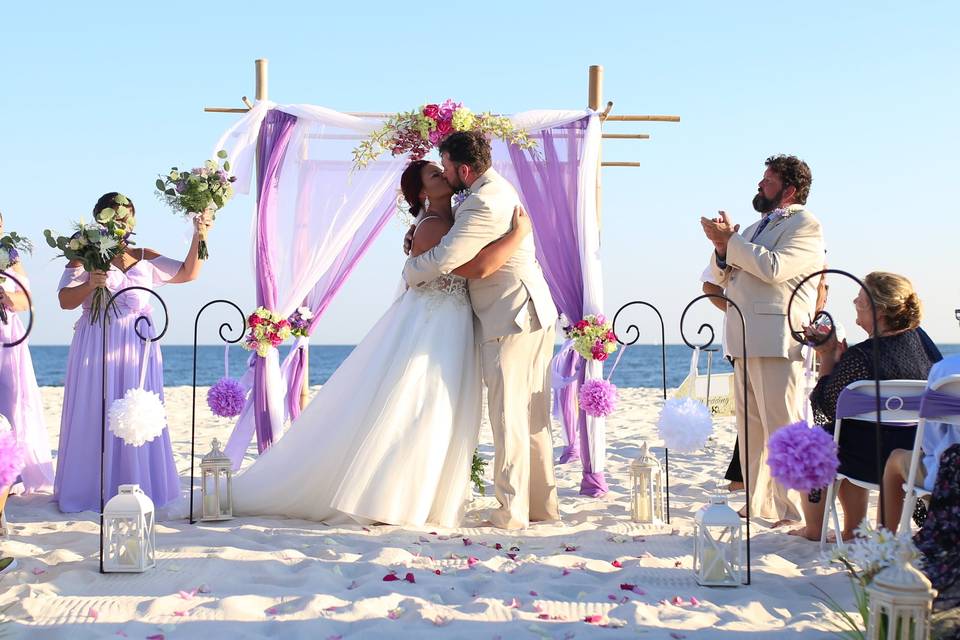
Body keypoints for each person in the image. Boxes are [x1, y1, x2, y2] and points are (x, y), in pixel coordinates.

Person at [229, 160, 533, 528]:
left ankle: (418, 495)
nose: (443, 176)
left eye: (443, 170)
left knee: (435, 406)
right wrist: (516, 237)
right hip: (436, 322)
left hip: (449, 319)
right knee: (423, 404)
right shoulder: (436, 227)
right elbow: (470, 265)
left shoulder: (448, 220)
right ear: (422, 193)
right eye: (435, 176)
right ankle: (395, 498)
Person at [404, 132, 560, 529]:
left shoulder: (482, 202)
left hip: (509, 314)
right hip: (530, 310)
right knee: (532, 415)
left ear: (464, 169)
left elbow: (461, 260)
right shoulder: (495, 190)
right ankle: (541, 506)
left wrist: (413, 267)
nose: (445, 174)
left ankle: (512, 512)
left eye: (447, 166)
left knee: (510, 414)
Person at [54, 193, 213, 512]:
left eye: (125, 217)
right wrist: (91, 284)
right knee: (94, 407)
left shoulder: (145, 255)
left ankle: (137, 483)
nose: (120, 222)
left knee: (137, 408)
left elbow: (187, 272)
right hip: (97, 337)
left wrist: (200, 235)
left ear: (133, 221)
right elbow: (64, 300)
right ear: (99, 219)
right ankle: (90, 489)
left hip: (139, 343)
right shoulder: (83, 255)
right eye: (113, 216)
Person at [701, 155, 825, 525]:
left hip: (776, 337)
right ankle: (758, 503)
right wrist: (723, 248)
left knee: (783, 426)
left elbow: (774, 268)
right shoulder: (755, 227)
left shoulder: (806, 224)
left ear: (789, 190)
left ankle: (793, 509)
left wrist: (732, 241)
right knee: (750, 428)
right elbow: (727, 275)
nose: (759, 185)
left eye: (768, 181)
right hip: (742, 338)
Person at [790, 272, 937, 541]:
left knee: (811, 440)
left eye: (859, 300)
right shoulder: (923, 342)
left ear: (878, 310)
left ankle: (817, 528)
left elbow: (824, 405)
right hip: (916, 454)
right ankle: (853, 529)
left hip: (867, 460)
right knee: (852, 430)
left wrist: (827, 356)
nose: (854, 302)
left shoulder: (862, 356)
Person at [0, 209, 54, 493]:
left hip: (8, 332)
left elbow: (26, 301)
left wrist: (8, 296)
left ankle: (12, 471)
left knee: (13, 400)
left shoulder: (9, 253)